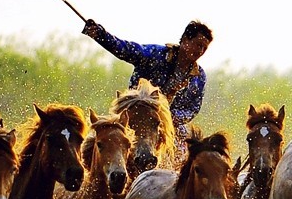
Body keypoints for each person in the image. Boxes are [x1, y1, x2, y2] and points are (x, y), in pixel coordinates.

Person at [83, 19, 213, 144]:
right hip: (134, 113)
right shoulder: (154, 55)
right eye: (198, 45)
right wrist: (100, 34)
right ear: (185, 40)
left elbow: (193, 109)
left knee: (185, 154)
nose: (200, 51)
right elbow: (125, 49)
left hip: (171, 126)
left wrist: (171, 118)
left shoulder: (199, 77)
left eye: (204, 48)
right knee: (107, 142)